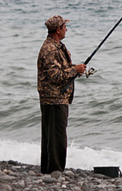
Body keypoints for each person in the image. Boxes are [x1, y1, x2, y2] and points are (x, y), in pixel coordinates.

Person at [37, 15, 87, 174]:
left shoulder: (54, 46)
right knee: (57, 137)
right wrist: (75, 70)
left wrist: (74, 71)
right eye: (65, 27)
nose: (66, 29)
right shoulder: (51, 50)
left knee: (50, 136)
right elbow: (55, 76)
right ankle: (55, 171)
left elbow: (59, 71)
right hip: (54, 99)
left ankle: (48, 169)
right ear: (58, 30)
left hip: (55, 98)